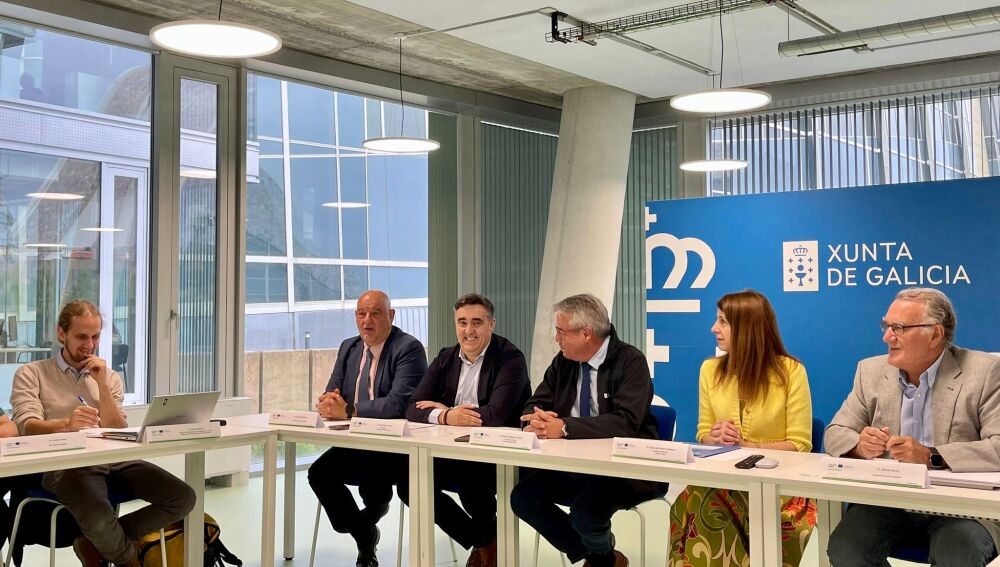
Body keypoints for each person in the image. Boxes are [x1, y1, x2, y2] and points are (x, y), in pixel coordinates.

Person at [10, 300, 195, 567]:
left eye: (95, 337)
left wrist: (102, 384)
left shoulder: (109, 377)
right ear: (61, 333)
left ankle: (96, 543)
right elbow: (27, 426)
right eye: (81, 337)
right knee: (99, 520)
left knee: (182, 497)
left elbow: (117, 428)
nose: (89, 344)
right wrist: (66, 425)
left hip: (112, 459)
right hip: (65, 464)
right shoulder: (31, 373)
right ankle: (125, 558)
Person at [825, 287, 1000, 567]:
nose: (887, 337)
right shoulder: (870, 371)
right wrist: (859, 445)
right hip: (890, 500)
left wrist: (931, 456)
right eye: (886, 326)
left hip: (961, 507)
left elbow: (997, 446)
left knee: (957, 555)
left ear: (935, 334)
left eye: (899, 328)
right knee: (846, 549)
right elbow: (835, 433)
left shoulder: (984, 372)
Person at [510, 294, 666, 567]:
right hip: (573, 463)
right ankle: (603, 556)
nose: (556, 338)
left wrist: (565, 427)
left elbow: (626, 422)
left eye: (561, 332)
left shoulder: (631, 361)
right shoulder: (564, 361)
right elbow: (536, 402)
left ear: (586, 333)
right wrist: (535, 419)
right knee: (523, 498)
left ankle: (599, 559)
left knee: (585, 513)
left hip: (622, 469)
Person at [668, 289, 815, 567]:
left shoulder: (791, 372)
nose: (714, 328)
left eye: (723, 321)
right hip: (724, 481)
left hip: (779, 488)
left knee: (703, 498)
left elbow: (800, 444)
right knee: (700, 495)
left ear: (748, 328)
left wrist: (747, 447)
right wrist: (713, 437)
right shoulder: (709, 370)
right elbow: (703, 431)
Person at [399, 293, 530, 567]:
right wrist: (447, 415)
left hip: (498, 454)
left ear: (491, 324)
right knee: (409, 484)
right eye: (462, 322)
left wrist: (449, 413)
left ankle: (487, 545)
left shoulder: (510, 358)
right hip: (453, 450)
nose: (468, 330)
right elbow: (412, 407)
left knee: (472, 483)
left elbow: (496, 414)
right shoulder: (446, 357)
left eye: (476, 322)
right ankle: (483, 539)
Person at [307, 289, 427, 567]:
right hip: (354, 442)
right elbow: (333, 390)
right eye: (361, 314)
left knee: (374, 485)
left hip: (392, 446)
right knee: (319, 474)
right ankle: (365, 534)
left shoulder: (408, 348)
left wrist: (348, 410)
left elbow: (399, 404)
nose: (367, 320)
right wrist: (328, 402)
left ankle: (369, 525)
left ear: (391, 315)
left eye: (375, 313)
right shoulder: (349, 347)